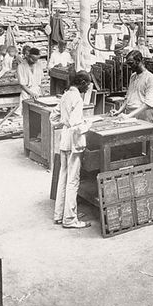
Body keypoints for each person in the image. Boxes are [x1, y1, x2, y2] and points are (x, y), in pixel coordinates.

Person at [50, 71, 92, 229]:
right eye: (87, 85)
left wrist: (64, 122)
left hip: (64, 139)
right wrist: (87, 124)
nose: (88, 88)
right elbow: (76, 123)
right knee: (73, 181)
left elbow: (53, 118)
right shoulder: (78, 98)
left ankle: (59, 214)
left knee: (64, 177)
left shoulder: (65, 95)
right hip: (74, 142)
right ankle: (69, 219)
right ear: (82, 83)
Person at [112, 50, 153, 122]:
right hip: (131, 113)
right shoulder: (133, 76)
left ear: (138, 61)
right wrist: (119, 111)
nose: (129, 66)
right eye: (128, 64)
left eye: (131, 63)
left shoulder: (150, 78)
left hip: (144, 114)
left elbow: (148, 104)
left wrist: (128, 116)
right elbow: (128, 97)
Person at [17, 47, 44, 113]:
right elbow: (22, 85)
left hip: (37, 92)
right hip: (26, 92)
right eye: (33, 59)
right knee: (25, 113)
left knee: (37, 112)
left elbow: (41, 81)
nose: (34, 61)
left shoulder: (39, 65)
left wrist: (42, 91)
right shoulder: (21, 66)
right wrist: (31, 93)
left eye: (36, 60)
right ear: (28, 56)